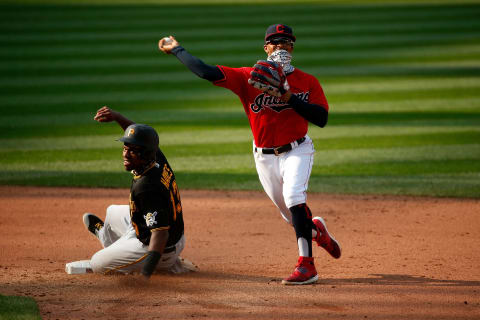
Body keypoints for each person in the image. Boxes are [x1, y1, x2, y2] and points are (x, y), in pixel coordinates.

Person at [158, 24, 341, 285]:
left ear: (293, 48)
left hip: (298, 149)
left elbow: (321, 119)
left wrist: (287, 95)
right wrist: (177, 49)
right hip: (264, 157)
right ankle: (317, 232)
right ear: (265, 48)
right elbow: (206, 71)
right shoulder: (247, 77)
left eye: (286, 42)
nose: (281, 46)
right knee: (293, 218)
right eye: (275, 42)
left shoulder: (307, 81)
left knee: (294, 197)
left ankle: (306, 265)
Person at [82, 106, 191, 278]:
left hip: (160, 250)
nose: (126, 154)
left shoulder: (147, 186)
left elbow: (160, 234)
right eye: (125, 148)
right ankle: (109, 240)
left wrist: (146, 273)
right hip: (169, 233)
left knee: (97, 264)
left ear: (146, 154)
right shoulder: (156, 158)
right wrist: (117, 117)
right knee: (112, 211)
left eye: (133, 151)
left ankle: (161, 266)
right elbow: (140, 134)